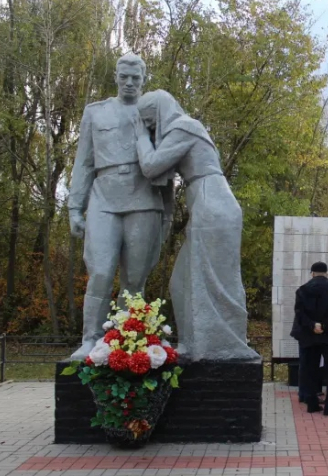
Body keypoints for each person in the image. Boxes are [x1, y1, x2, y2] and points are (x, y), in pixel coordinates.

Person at [134, 90, 258, 361]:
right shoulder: (185, 129)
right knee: (180, 283)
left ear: (159, 113)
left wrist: (140, 136)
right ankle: (193, 342)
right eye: (147, 126)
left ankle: (223, 345)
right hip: (207, 204)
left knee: (217, 282)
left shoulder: (184, 127)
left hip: (212, 204)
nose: (151, 129)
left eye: (150, 123)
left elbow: (152, 166)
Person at [67, 54, 172, 360]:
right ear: (115, 76)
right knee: (100, 272)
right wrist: (75, 207)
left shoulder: (154, 114)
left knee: (135, 280)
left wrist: (167, 214)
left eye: (135, 78)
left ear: (143, 79)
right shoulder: (95, 112)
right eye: (124, 76)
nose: (129, 83)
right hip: (104, 198)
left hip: (144, 198)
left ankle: (129, 342)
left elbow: (168, 163)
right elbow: (83, 163)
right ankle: (91, 339)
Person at [294, 262, 328, 416]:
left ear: (312, 273)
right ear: (327, 273)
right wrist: (323, 326)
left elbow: (299, 314)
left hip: (309, 337)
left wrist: (313, 325)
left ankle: (312, 404)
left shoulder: (302, 290)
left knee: (310, 370)